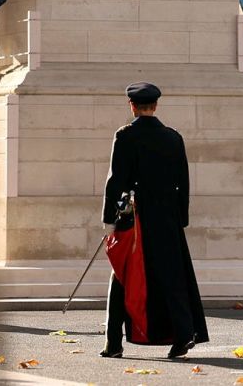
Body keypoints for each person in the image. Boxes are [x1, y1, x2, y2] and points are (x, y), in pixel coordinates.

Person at [100, 82, 208, 359]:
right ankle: (184, 334)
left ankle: (114, 342)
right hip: (168, 217)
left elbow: (116, 182)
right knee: (173, 277)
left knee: (122, 276)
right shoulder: (173, 137)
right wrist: (181, 217)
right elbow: (183, 182)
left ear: (132, 106)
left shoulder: (125, 136)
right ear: (155, 106)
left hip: (136, 217)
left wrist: (109, 219)